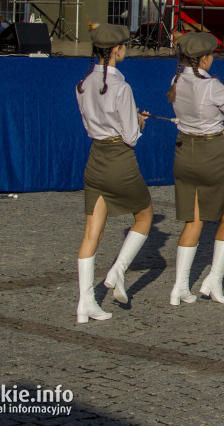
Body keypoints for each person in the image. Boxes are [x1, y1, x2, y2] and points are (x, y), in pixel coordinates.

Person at [167, 32, 224, 305]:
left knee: (193, 219)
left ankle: (180, 287)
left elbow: (210, 91)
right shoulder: (212, 86)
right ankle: (214, 280)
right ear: (205, 58)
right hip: (213, 152)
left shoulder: (177, 79)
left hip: (185, 151)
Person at [73, 23, 153, 324]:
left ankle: (85, 302)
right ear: (118, 49)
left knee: (92, 231)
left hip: (95, 157)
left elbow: (90, 124)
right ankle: (118, 270)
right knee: (144, 215)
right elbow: (131, 136)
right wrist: (140, 122)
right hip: (119, 157)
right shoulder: (121, 86)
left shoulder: (82, 84)